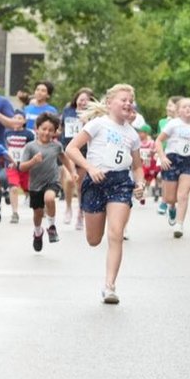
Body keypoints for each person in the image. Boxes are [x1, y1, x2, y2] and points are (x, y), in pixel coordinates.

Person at [63, 84, 144, 303]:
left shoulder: (132, 135)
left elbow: (137, 166)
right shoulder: (98, 124)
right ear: (109, 103)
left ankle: (110, 287)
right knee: (94, 240)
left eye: (130, 100)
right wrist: (90, 168)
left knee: (116, 234)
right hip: (96, 181)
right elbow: (70, 148)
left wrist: (140, 183)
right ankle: (89, 224)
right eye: (123, 99)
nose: (128, 103)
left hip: (120, 183)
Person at [154, 97, 190, 238]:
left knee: (182, 195)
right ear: (178, 111)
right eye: (184, 107)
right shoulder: (173, 124)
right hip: (172, 159)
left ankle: (179, 224)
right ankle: (171, 207)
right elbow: (158, 141)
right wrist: (162, 157)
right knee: (170, 198)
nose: (188, 108)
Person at [18, 113, 66, 252]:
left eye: (51, 130)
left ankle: (51, 227)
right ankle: (38, 232)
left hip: (52, 181)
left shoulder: (56, 146)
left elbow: (64, 158)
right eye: (44, 129)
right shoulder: (30, 147)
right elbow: (21, 167)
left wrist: (72, 172)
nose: (47, 132)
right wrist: (33, 161)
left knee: (49, 198)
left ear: (55, 132)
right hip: (35, 184)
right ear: (37, 128)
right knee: (38, 213)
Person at [60, 88, 95, 228]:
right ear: (76, 99)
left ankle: (80, 213)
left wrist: (87, 121)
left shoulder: (93, 116)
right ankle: (68, 207)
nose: (83, 102)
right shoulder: (68, 111)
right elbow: (61, 128)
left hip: (83, 152)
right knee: (69, 180)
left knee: (80, 185)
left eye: (86, 100)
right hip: (68, 150)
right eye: (81, 99)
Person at [1, 109, 35, 224]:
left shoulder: (29, 134)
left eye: (20, 118)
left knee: (28, 189)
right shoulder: (7, 133)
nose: (16, 120)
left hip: (24, 165)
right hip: (11, 165)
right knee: (14, 187)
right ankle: (14, 213)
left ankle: (39, 206)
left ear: (24, 121)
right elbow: (5, 148)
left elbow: (32, 149)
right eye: (15, 118)